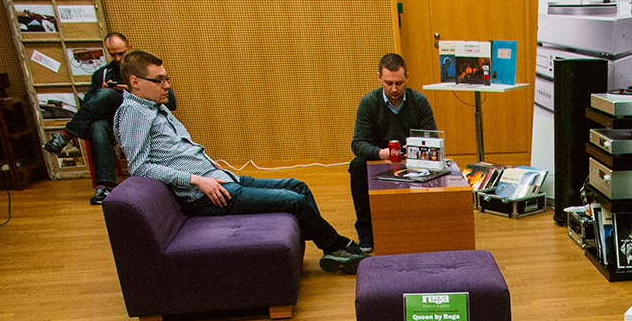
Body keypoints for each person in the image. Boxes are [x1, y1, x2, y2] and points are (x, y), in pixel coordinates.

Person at [114, 51, 365, 274]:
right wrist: (196, 179)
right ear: (135, 82)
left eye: (166, 78)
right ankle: (336, 247)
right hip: (206, 195)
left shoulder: (154, 107)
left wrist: (205, 162)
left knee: (298, 186)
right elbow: (139, 167)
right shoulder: (133, 113)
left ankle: (328, 247)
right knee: (294, 201)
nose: (167, 85)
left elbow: (174, 150)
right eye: (159, 80)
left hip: (220, 179)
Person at [44, 33, 177, 205]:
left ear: (130, 47)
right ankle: (106, 186)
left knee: (104, 95)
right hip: (114, 122)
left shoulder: (145, 70)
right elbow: (89, 106)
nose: (118, 58)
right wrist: (106, 90)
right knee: (97, 125)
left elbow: (171, 102)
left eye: (121, 53)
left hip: (141, 118)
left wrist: (128, 90)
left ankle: (66, 135)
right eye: (113, 54)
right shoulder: (103, 74)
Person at [349, 53, 437, 252]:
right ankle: (366, 232)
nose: (394, 89)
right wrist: (382, 153)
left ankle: (427, 225)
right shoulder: (369, 102)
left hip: (412, 158)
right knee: (357, 166)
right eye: (388, 83)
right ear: (379, 78)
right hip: (379, 157)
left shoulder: (419, 101)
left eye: (399, 83)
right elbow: (358, 144)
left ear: (407, 76)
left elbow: (431, 137)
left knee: (437, 164)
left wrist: (413, 151)